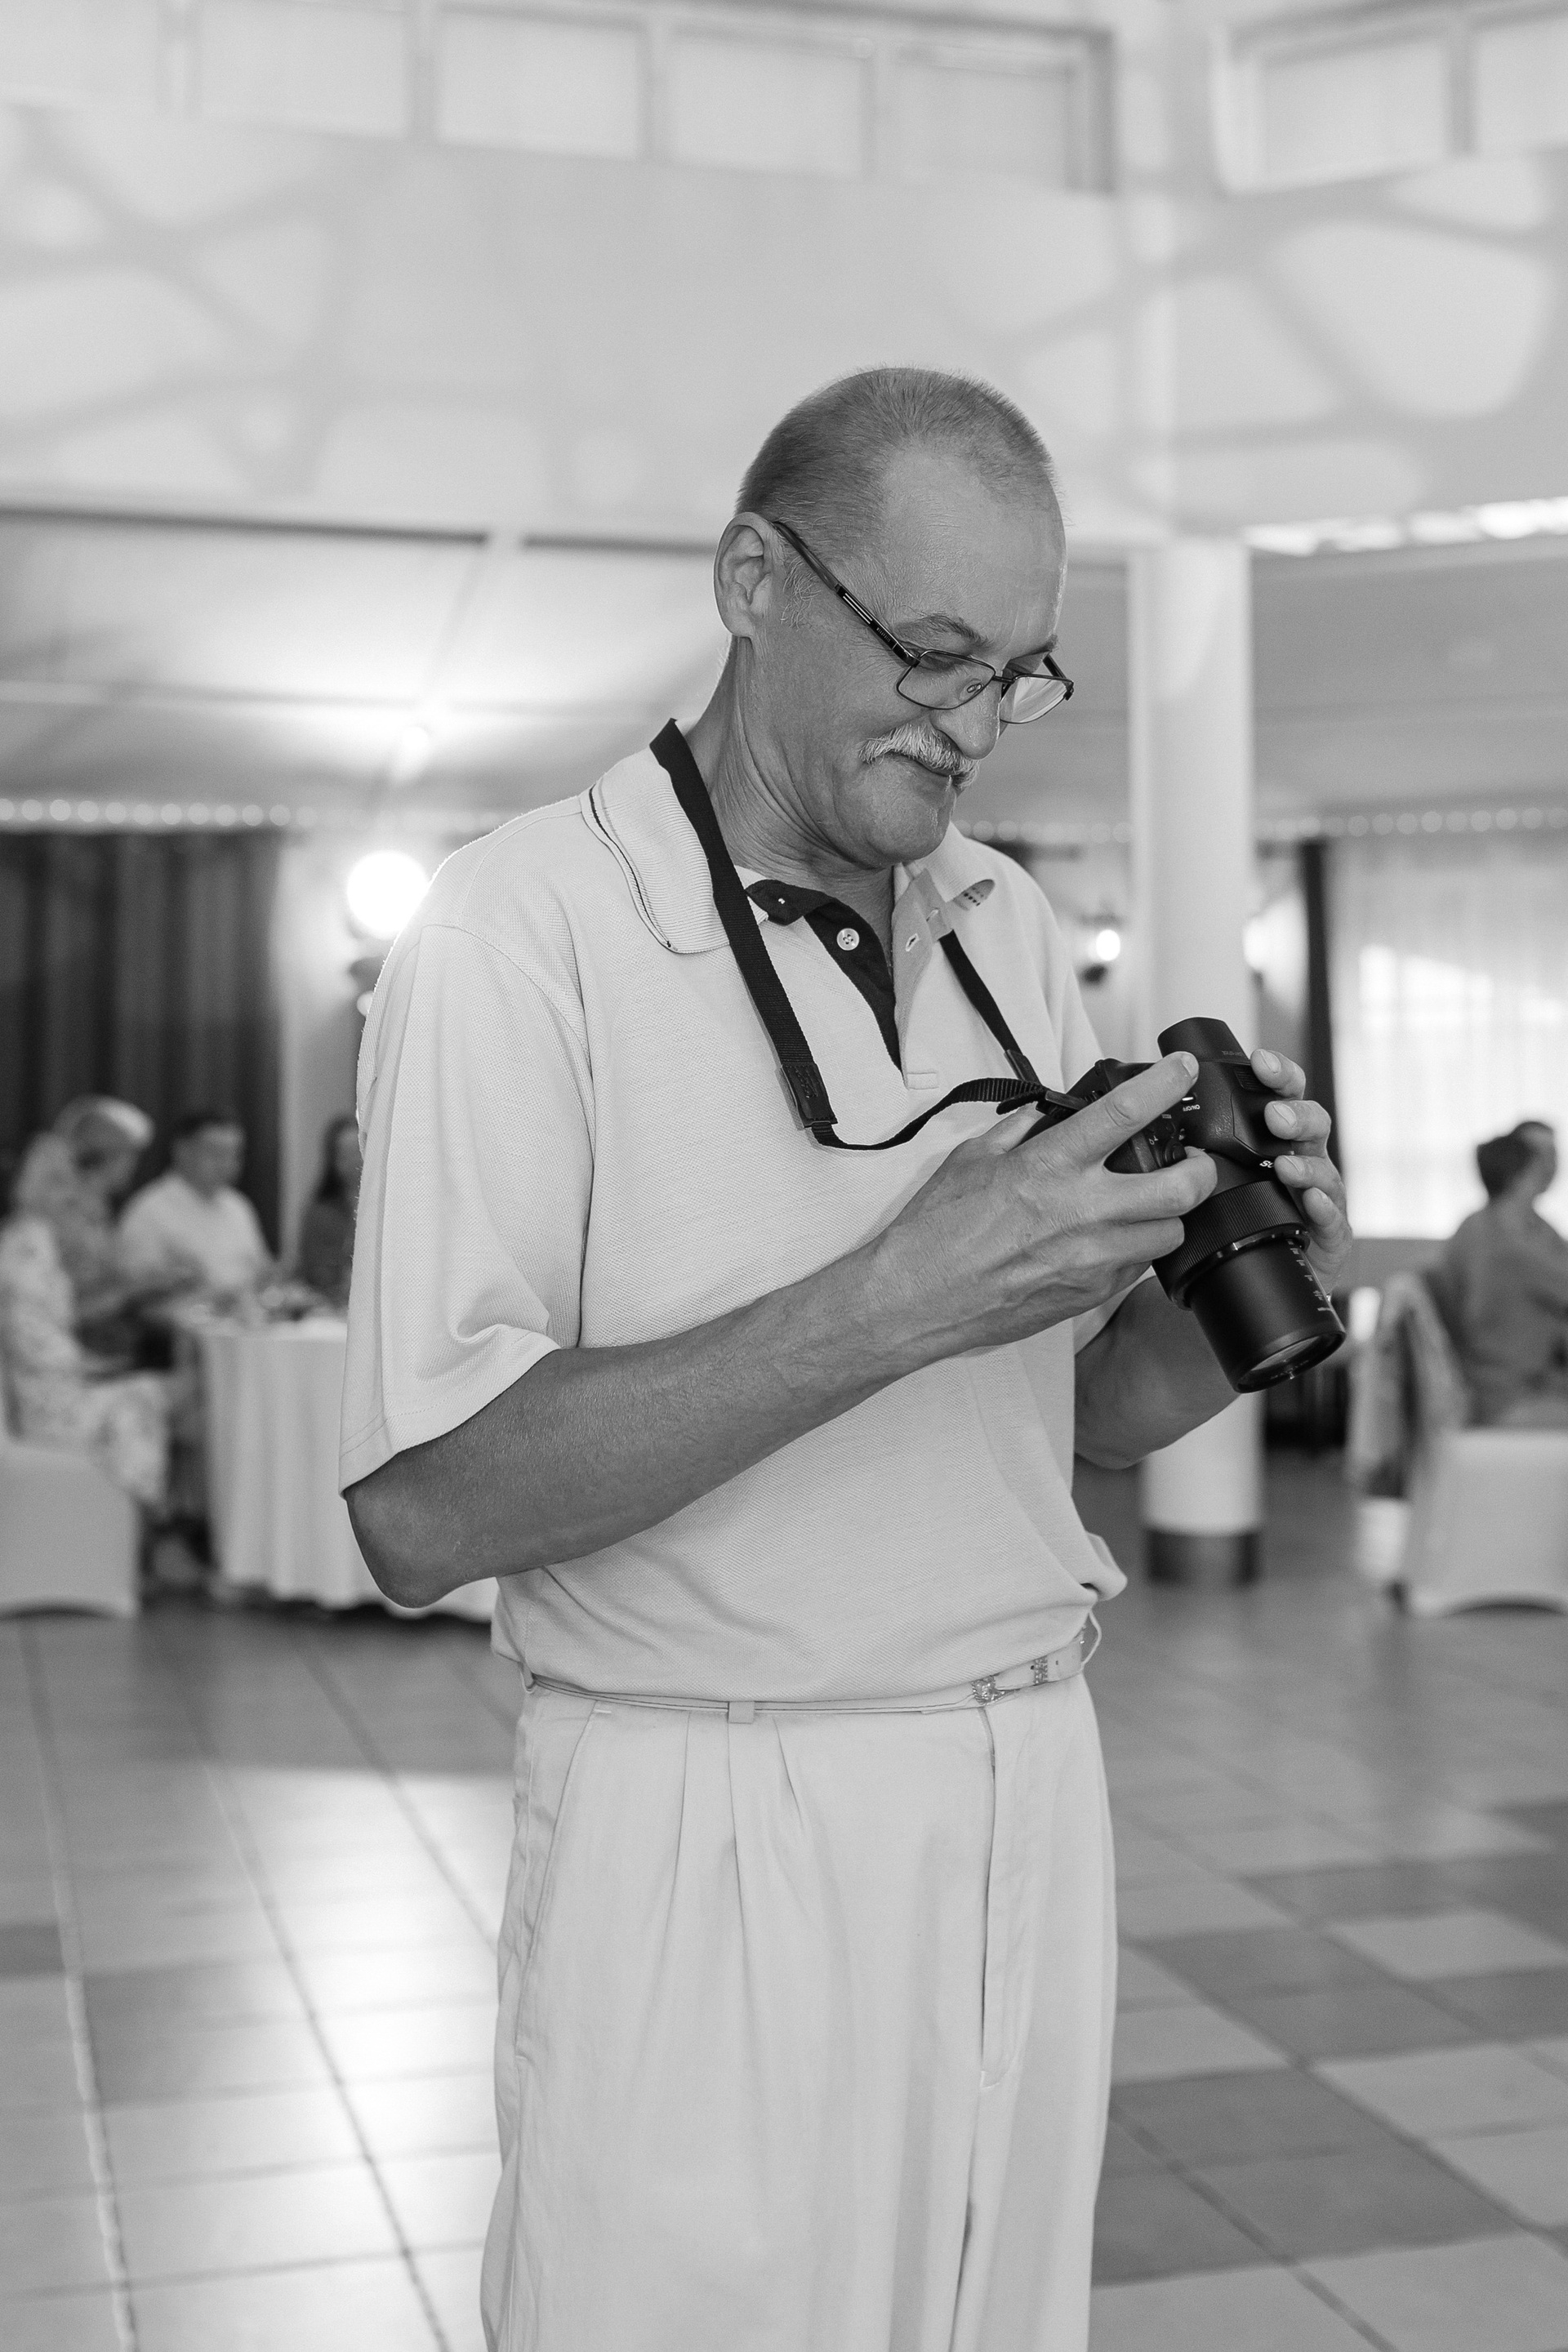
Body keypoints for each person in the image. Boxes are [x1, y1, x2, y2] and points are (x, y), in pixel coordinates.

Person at [340, 368, 1352, 2352]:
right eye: (933, 652)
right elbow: (420, 1510)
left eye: (1020, 673)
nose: (972, 724)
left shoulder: (1006, 919)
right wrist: (894, 1292)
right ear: (753, 579)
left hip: (1026, 1776)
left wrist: (1222, 1301)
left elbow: (1062, 1421)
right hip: (711, 1811)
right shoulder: (522, 925)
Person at [0, 1125, 173, 1507]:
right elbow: (34, 1343)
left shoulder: (34, 1239)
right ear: (34, 1185)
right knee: (148, 1398)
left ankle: (141, 1519)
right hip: (45, 1401)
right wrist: (93, 1366)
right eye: (59, 1182)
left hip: (53, 1383)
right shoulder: (28, 1248)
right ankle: (145, 1519)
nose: (72, 1193)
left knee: (153, 1392)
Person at [1429, 1120, 1568, 1427]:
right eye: (1540, 1156)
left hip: (1537, 1381)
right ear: (1517, 1168)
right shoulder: (1504, 1237)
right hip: (1511, 1393)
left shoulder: (1533, 1227)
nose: (1551, 1166)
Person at [118, 1108, 273, 1307]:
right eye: (216, 1153)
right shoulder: (149, 1211)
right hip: (186, 1320)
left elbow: (262, 1270)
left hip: (250, 1315)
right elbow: (136, 1294)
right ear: (182, 1151)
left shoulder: (238, 1205)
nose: (226, 1164)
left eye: (234, 1154)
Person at [296, 1114, 361, 1308]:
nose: (356, 1161)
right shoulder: (320, 1214)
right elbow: (314, 1273)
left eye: (359, 1151)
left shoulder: (389, 1210)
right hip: (330, 1308)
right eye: (346, 1155)